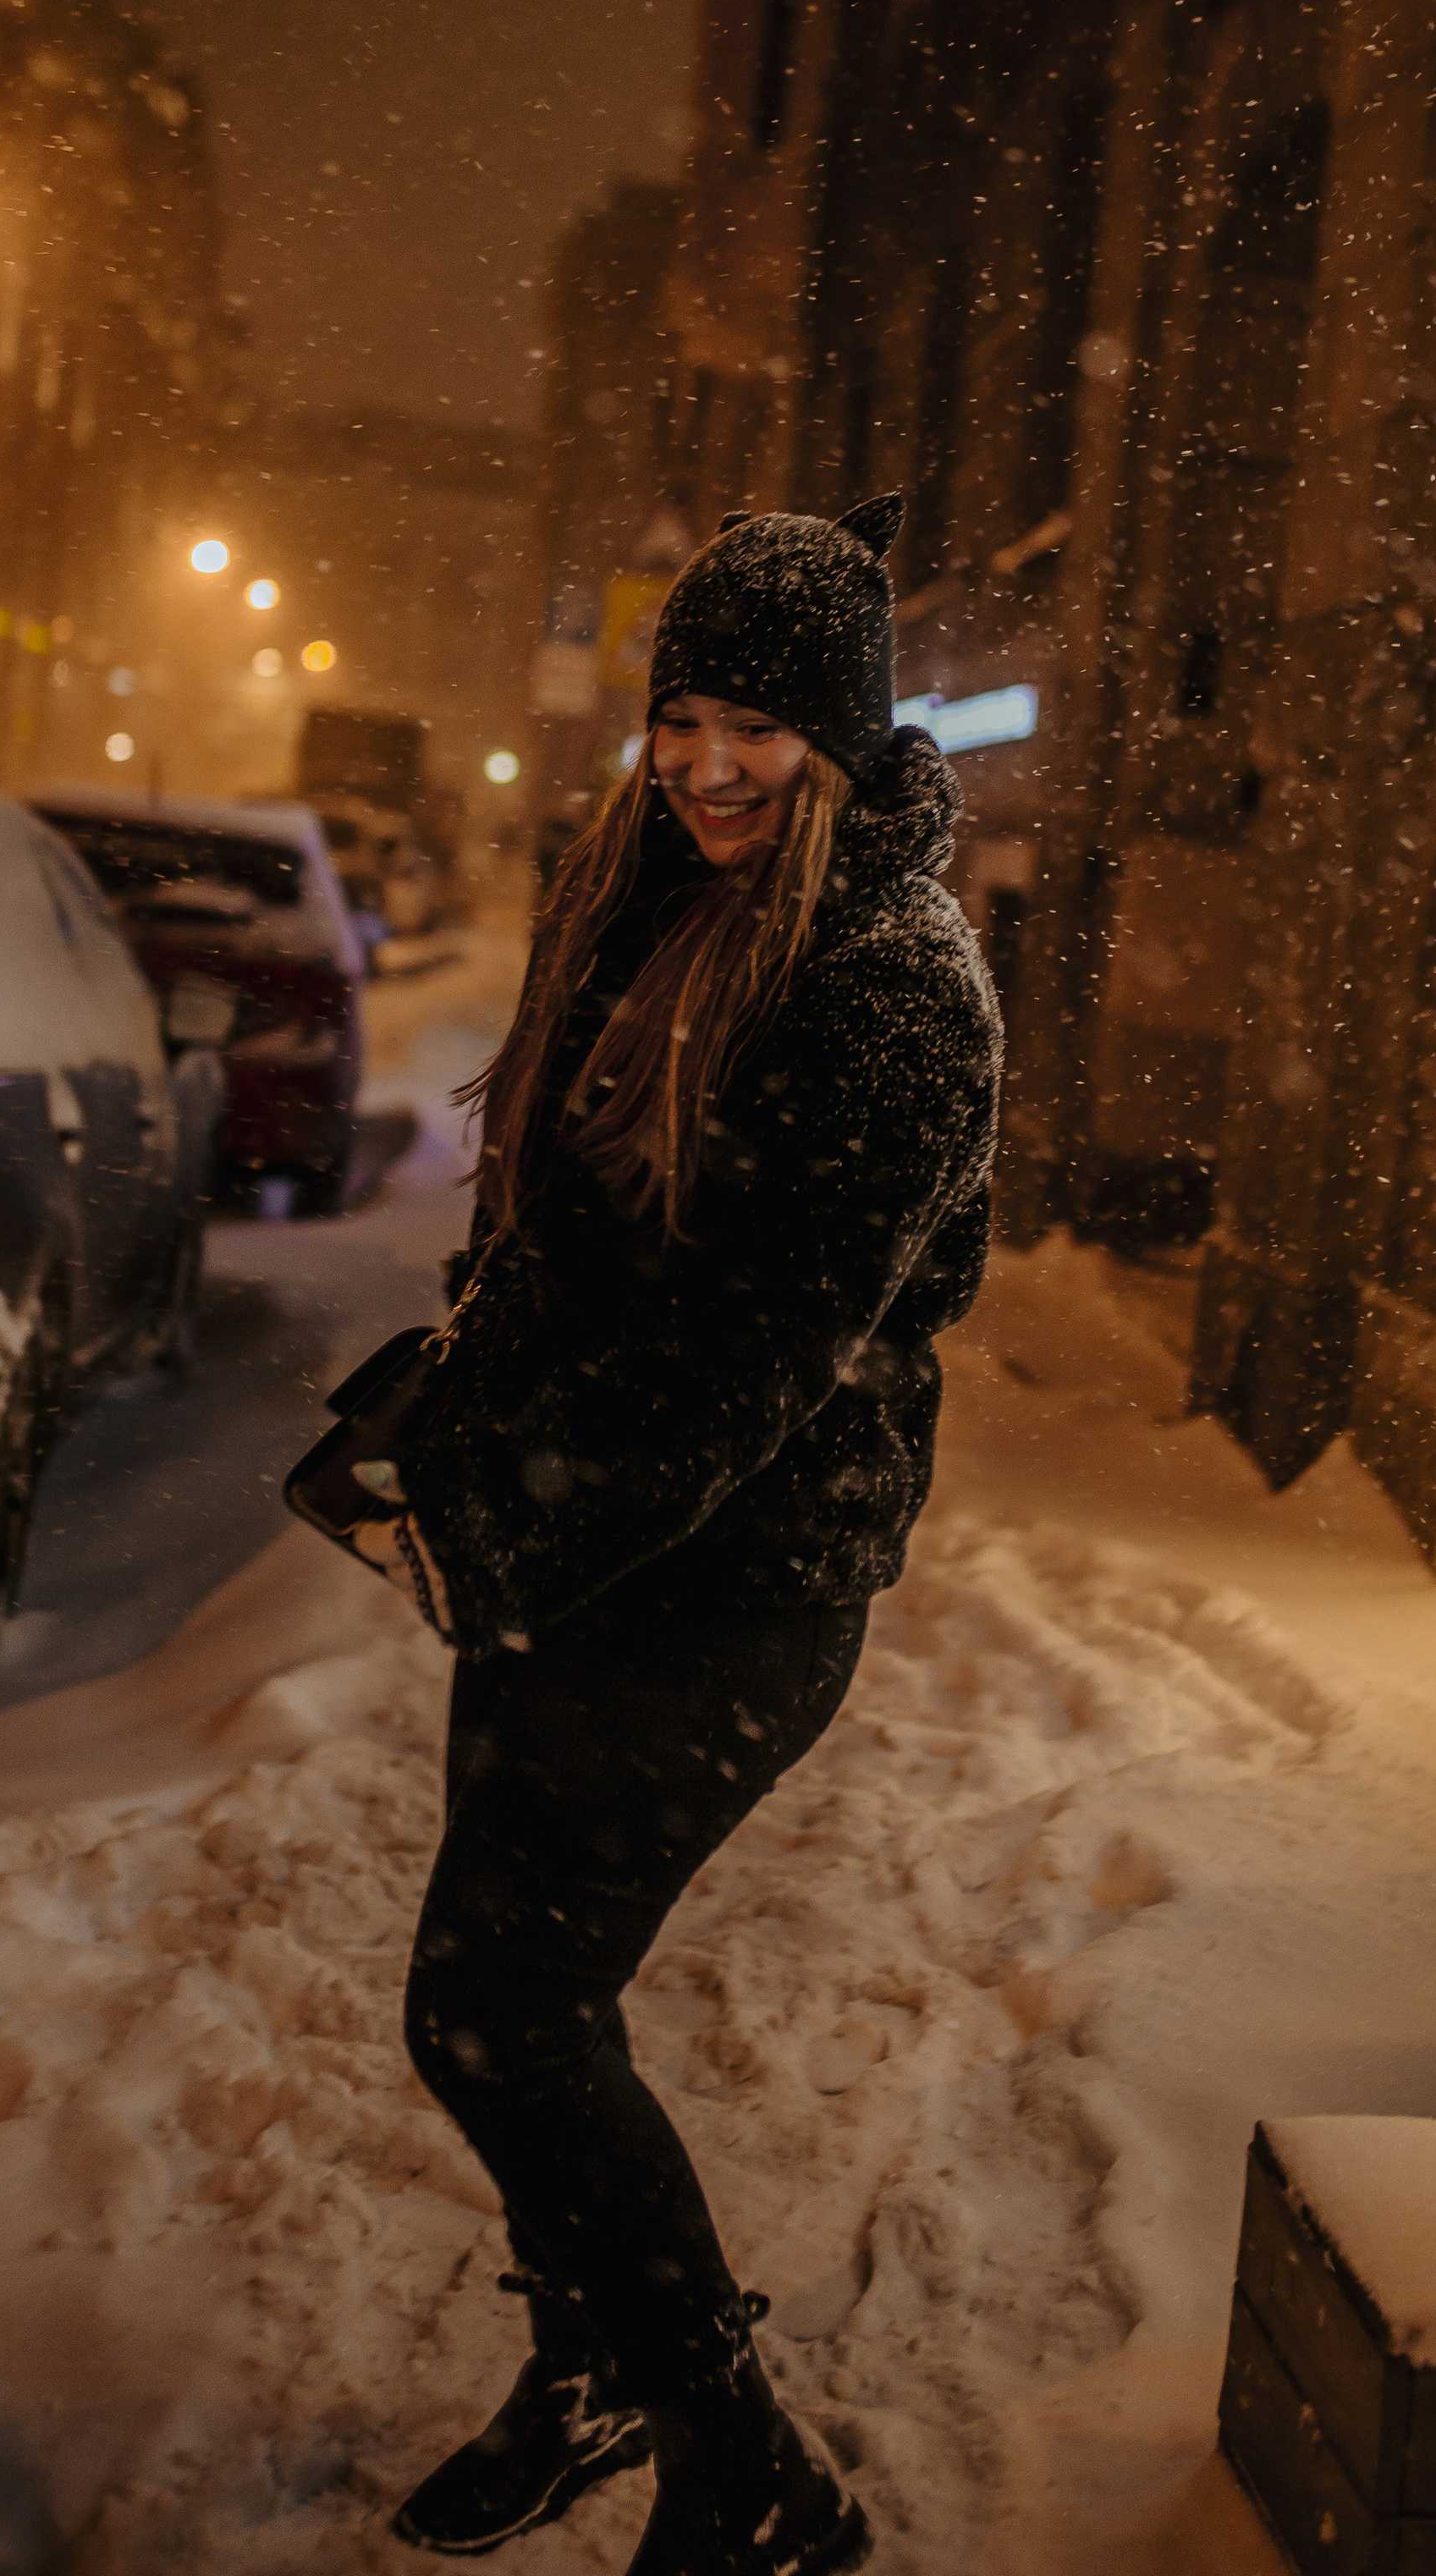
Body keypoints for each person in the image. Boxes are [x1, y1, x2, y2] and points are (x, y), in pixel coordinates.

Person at [382, 495, 1002, 2575]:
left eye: (757, 727)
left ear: (838, 737)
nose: (708, 764)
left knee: (501, 2014)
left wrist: (499, 1506)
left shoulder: (897, 984)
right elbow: (570, 1256)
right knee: (498, 2008)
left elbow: (746, 1364)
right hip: (567, 1558)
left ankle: (744, 2472)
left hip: (727, 1586)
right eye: (681, 718)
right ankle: (589, 2371)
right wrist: (437, 1411)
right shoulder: (649, 894)